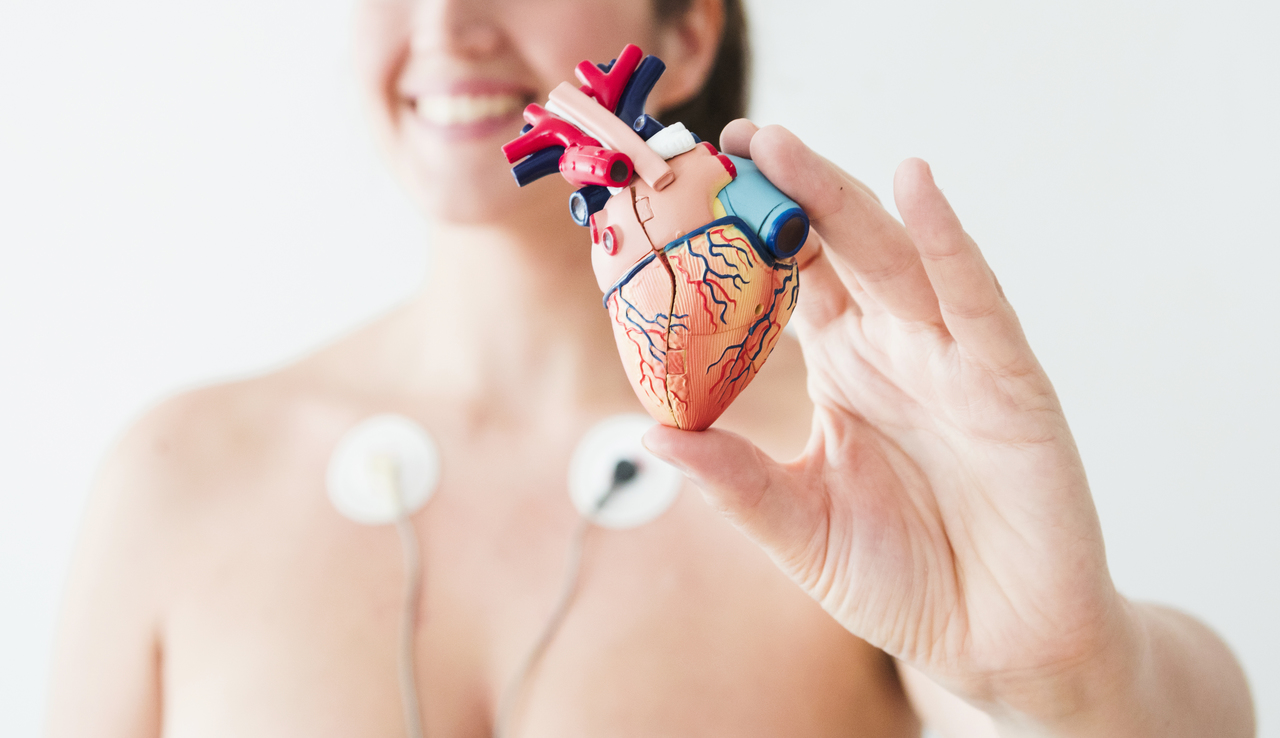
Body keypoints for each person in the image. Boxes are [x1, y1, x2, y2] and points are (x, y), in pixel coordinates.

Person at [45, 0, 1255, 735]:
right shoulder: (178, 478)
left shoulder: (847, 467)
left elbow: (1162, 720)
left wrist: (1067, 668)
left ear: (684, 30)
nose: (445, 24)